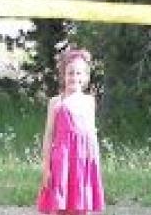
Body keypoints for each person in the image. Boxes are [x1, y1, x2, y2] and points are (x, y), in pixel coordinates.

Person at [38, 47, 105, 215]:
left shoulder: (89, 101)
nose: (74, 77)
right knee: (59, 203)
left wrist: (95, 161)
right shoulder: (56, 102)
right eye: (70, 73)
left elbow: (92, 134)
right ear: (63, 75)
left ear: (86, 77)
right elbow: (48, 136)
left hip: (83, 160)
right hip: (62, 161)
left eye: (78, 73)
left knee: (81, 202)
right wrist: (46, 168)